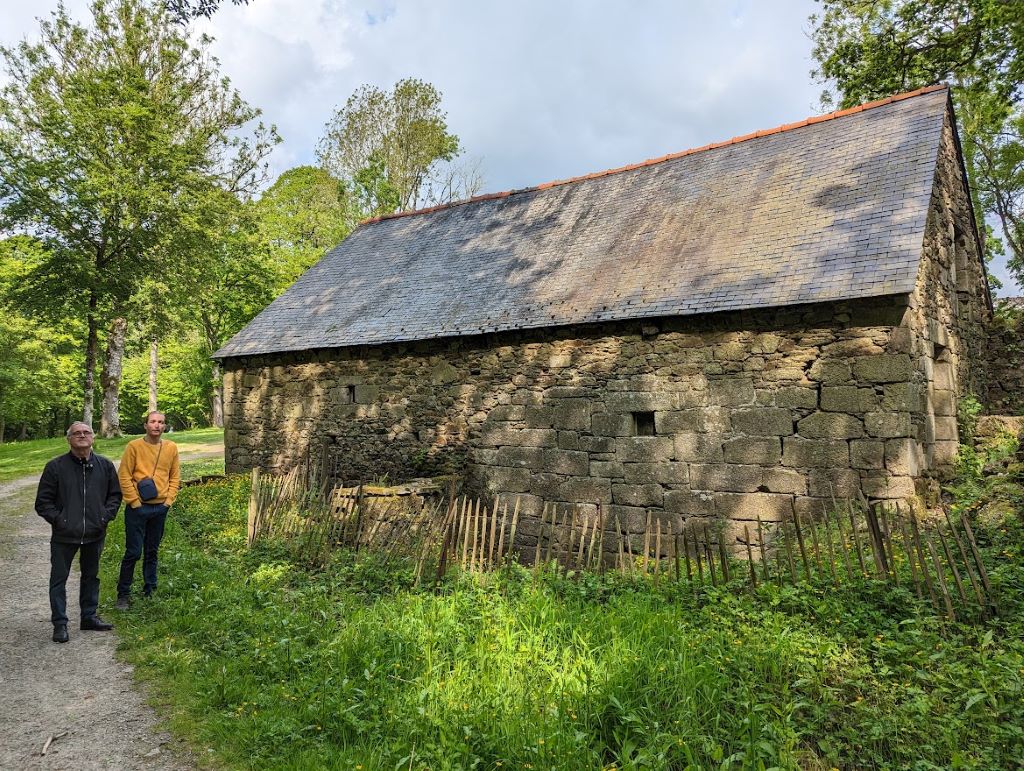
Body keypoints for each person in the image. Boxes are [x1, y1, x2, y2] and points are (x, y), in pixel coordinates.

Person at [34, 422, 122, 643]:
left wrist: (104, 517)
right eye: (76, 433)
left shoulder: (105, 465)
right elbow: (43, 503)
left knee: (91, 576)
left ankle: (89, 617)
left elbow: (115, 496)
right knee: (58, 579)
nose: (82, 435)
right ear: (69, 439)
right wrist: (60, 520)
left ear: (93, 437)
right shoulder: (55, 467)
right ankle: (60, 624)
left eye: (86, 432)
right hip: (64, 535)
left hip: (95, 533)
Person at [116, 411, 180, 608]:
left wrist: (167, 502)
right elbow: (124, 476)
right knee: (134, 551)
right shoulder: (134, 446)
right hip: (138, 508)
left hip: (160, 508)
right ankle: (123, 594)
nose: (156, 425)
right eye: (152, 421)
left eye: (160, 422)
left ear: (164, 426)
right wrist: (134, 503)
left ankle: (150, 589)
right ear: (145, 425)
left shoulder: (171, 447)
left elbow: (174, 477)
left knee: (152, 551)